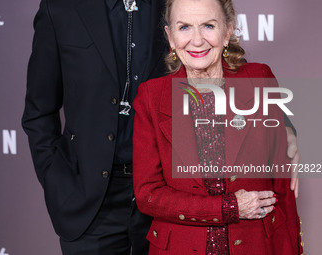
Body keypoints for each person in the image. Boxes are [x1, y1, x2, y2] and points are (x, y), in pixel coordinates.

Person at [22, 0, 299, 254]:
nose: (195, 34)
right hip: (89, 198)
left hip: (169, 200)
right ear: (170, 35)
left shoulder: (172, 2)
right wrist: (57, 183)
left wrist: (286, 129)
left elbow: (212, 55)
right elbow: (38, 112)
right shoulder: (61, 7)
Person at [132, 0, 303, 254]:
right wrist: (228, 207)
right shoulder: (150, 97)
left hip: (256, 245)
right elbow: (148, 194)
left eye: (209, 26)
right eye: (184, 27)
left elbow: (283, 191)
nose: (197, 40)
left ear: (227, 32)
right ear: (170, 37)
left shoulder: (260, 79)